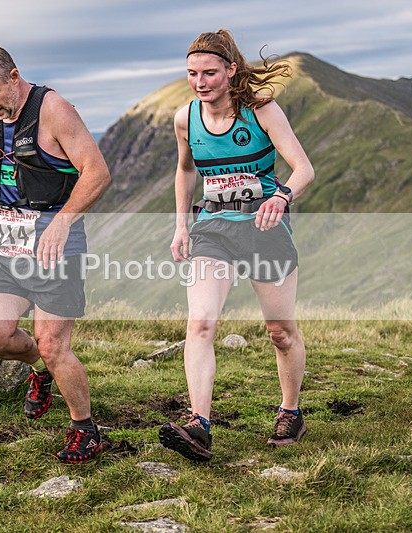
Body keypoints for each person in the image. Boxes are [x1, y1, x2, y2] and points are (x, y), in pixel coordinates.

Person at [160, 30, 315, 462]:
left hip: (263, 227)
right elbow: (185, 171)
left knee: (280, 333)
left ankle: (290, 412)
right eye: (192, 73)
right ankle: (199, 425)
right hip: (212, 228)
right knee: (201, 324)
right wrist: (180, 225)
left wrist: (281, 196)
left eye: (209, 72)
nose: (200, 82)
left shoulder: (261, 110)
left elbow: (303, 168)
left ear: (231, 70)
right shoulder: (184, 118)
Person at [0, 44, 111, 463]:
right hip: (9, 244)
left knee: (53, 343)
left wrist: (62, 222)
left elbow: (97, 172)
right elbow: (0, 172)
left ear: (14, 76)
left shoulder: (54, 110)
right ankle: (40, 372)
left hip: (55, 246)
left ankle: (85, 428)